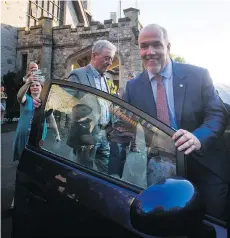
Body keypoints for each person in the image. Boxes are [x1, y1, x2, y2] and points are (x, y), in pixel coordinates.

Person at [124, 24, 229, 221]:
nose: (150, 52)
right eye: (144, 46)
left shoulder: (198, 75)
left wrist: (197, 138)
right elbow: (125, 129)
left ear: (168, 47)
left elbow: (217, 115)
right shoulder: (132, 87)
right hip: (163, 173)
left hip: (205, 165)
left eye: (156, 45)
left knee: (211, 224)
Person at [67, 40, 117, 173]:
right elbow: (63, 99)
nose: (110, 62)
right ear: (94, 56)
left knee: (105, 171)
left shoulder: (105, 79)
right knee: (84, 172)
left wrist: (110, 126)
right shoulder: (78, 74)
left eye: (111, 59)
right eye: (107, 58)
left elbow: (106, 104)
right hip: (86, 136)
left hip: (103, 134)